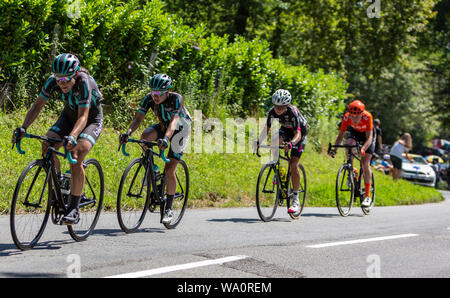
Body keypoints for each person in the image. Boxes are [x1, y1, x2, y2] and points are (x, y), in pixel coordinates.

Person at [12, 53, 104, 225]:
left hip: (91, 119)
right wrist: (24, 127)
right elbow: (37, 106)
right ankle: (61, 181)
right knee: (48, 143)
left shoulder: (84, 82)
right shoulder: (53, 80)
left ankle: (74, 209)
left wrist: (73, 136)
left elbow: (83, 117)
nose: (61, 83)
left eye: (66, 79)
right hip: (69, 116)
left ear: (75, 74)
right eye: (58, 78)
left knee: (75, 155)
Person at [120, 73, 191, 224]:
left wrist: (166, 139)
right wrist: (128, 133)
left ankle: (169, 208)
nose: (155, 96)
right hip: (164, 126)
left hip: (180, 130)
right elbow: (138, 119)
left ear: (167, 91)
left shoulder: (176, 99)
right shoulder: (149, 99)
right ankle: (154, 171)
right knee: (145, 136)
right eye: (153, 92)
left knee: (170, 169)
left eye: (159, 93)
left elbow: (174, 122)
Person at [256, 89, 308, 214]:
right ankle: (278, 169)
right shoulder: (272, 112)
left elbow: (298, 134)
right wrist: (259, 142)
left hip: (299, 135)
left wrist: (291, 144)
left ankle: (295, 199)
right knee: (275, 139)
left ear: (287, 105)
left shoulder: (293, 112)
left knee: (293, 164)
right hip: (285, 130)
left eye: (282, 107)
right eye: (276, 106)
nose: (278, 109)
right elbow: (266, 129)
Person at [328, 100, 375, 207]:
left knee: (365, 162)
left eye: (357, 117)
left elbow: (369, 138)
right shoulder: (346, 117)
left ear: (362, 114)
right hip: (356, 133)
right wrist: (335, 149)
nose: (354, 119)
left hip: (367, 136)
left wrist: (363, 149)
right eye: (352, 116)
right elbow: (340, 136)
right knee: (348, 144)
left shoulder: (367, 117)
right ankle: (351, 170)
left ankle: (367, 196)